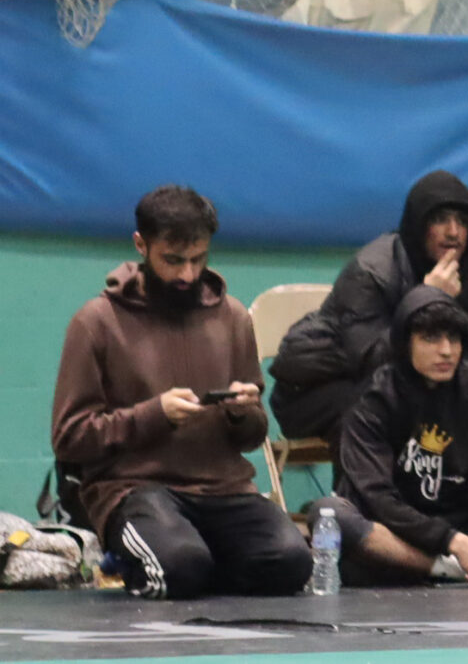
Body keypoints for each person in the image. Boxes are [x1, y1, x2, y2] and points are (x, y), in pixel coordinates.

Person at [51, 186, 313, 601]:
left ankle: (197, 563)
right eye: (172, 260)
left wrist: (243, 413)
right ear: (141, 245)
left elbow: (252, 437)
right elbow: (70, 438)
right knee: (179, 566)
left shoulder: (233, 317)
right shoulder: (96, 322)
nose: (188, 275)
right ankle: (164, 560)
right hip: (134, 489)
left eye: (198, 259)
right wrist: (154, 414)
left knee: (292, 562)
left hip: (225, 490)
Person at [314, 286, 468, 585]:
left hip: (463, 521)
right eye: (430, 339)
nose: (446, 351)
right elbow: (378, 497)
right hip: (395, 528)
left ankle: (463, 562)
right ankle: (448, 569)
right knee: (328, 513)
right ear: (405, 343)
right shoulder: (373, 399)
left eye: (453, 339)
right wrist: (453, 543)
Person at [269, 170, 468, 443]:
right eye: (440, 220)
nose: (453, 232)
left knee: (466, 404)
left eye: (462, 221)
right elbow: (373, 361)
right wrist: (429, 299)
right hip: (319, 389)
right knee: (379, 410)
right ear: (418, 224)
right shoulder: (371, 270)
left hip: (404, 386)